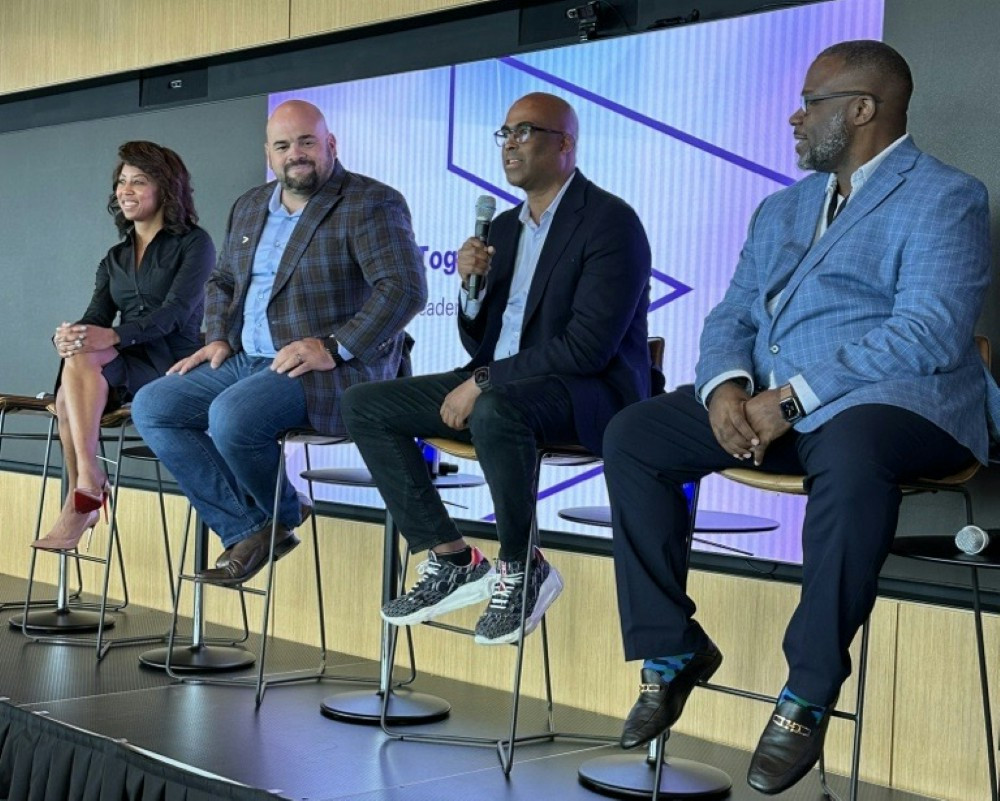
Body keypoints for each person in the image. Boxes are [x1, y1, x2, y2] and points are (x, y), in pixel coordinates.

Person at [603, 39, 1000, 795]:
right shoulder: (782, 206)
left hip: (901, 404)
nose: (794, 117)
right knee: (635, 434)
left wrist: (789, 399)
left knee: (852, 450)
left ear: (861, 109)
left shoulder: (948, 195)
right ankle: (672, 646)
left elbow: (928, 330)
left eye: (810, 102)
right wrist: (725, 387)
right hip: (775, 406)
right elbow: (732, 313)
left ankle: (808, 690)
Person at [343, 92, 654, 645]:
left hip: (588, 393)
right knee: (365, 405)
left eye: (524, 132)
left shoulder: (610, 222)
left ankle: (521, 565)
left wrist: (484, 381)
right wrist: (470, 291)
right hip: (505, 384)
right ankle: (452, 556)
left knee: (494, 408)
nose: (509, 144)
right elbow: (481, 341)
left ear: (564, 144)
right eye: (504, 133)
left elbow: (587, 348)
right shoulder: (504, 229)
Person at [131, 100, 426, 585]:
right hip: (247, 359)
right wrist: (218, 336)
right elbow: (222, 280)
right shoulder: (250, 205)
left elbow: (405, 289)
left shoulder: (371, 201)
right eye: (283, 145)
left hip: (330, 368)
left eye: (307, 142)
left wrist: (333, 346)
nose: (296, 154)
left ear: (330, 144)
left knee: (232, 418)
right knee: (154, 405)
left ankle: (278, 517)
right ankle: (253, 526)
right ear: (268, 153)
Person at [32, 141, 215, 552]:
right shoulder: (113, 258)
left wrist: (113, 335)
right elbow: (96, 316)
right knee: (76, 357)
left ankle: (85, 493)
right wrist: (68, 335)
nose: (125, 190)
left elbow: (175, 314)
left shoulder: (194, 244)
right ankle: (88, 481)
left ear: (166, 189)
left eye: (139, 181)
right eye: (121, 182)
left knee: (65, 399)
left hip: (173, 364)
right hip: (124, 366)